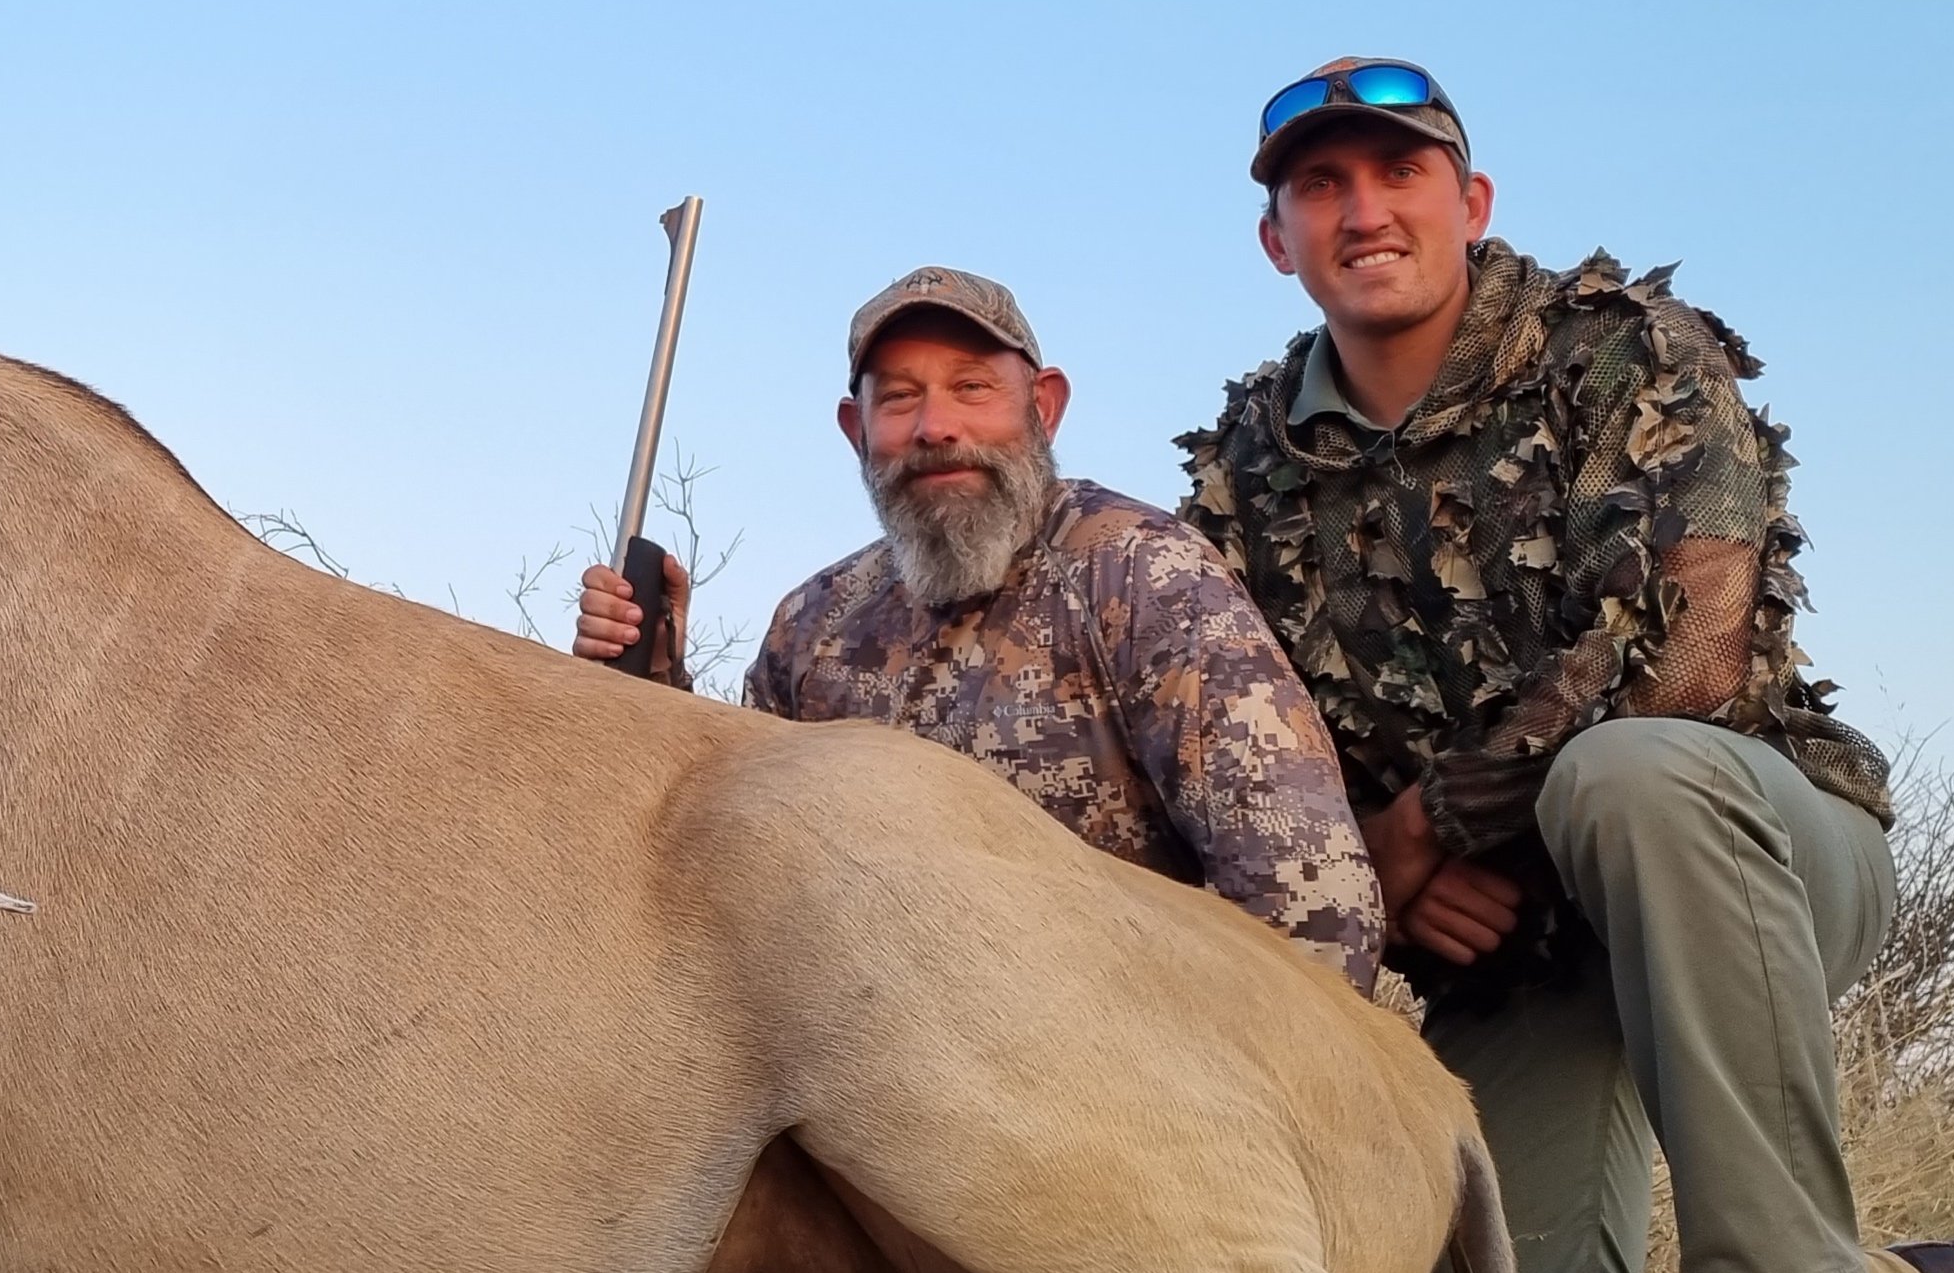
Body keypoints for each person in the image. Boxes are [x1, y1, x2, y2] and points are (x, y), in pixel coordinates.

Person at [1181, 57, 1954, 1273]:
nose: (1360, 208)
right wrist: (1377, 877)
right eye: (1318, 186)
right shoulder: (1242, 468)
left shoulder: (1629, 349)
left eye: (1395, 173)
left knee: (1628, 773)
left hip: (1748, 849)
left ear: (1469, 202)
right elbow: (1237, 758)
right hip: (1520, 950)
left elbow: (1691, 662)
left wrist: (1414, 841)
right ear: (1277, 240)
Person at [575, 264, 1382, 991]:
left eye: (971, 387)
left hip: (1133, 1088)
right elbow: (735, 869)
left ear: (1045, 407)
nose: (935, 426)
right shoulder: (810, 627)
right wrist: (653, 684)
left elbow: (1314, 904)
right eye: (898, 397)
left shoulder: (1141, 573)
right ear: (857, 431)